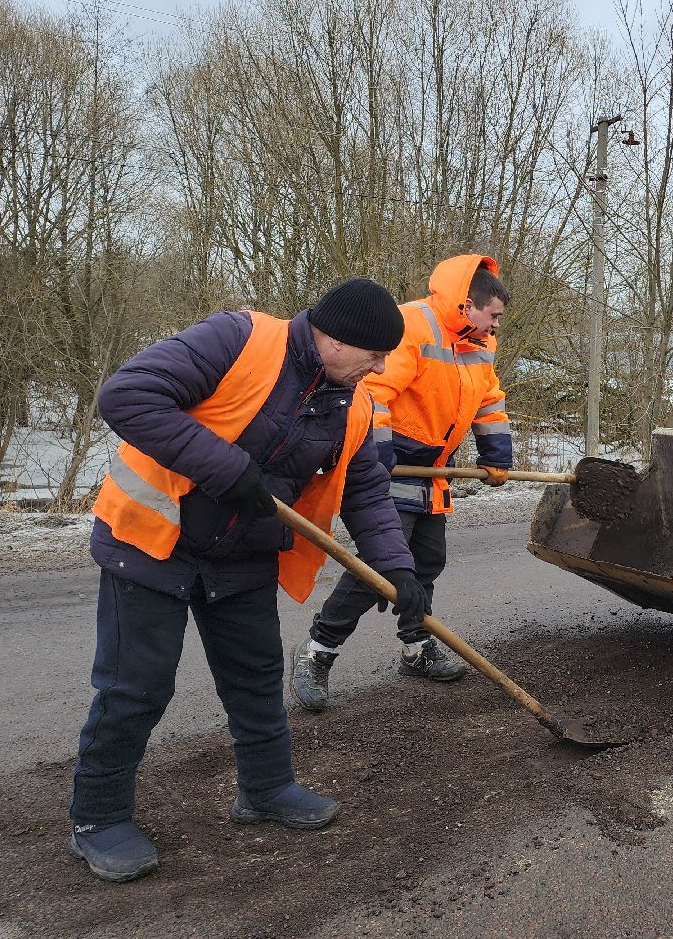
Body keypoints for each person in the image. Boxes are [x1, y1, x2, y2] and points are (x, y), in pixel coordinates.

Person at [69, 279, 424, 883]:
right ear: (335, 340)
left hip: (243, 554)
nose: (382, 368)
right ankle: (97, 818)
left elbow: (365, 490)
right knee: (137, 687)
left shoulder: (355, 404)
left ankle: (267, 787)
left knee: (256, 676)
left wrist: (397, 568)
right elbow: (126, 396)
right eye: (374, 355)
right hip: (152, 540)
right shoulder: (238, 339)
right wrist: (226, 467)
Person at [291, 255, 512, 711]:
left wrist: (496, 453)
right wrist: (378, 456)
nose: (496, 325)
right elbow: (372, 394)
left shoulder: (481, 342)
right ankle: (317, 650)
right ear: (468, 305)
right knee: (383, 568)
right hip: (392, 462)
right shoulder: (415, 324)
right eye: (492, 315)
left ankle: (416, 646)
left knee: (427, 560)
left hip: (435, 466)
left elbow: (488, 398)